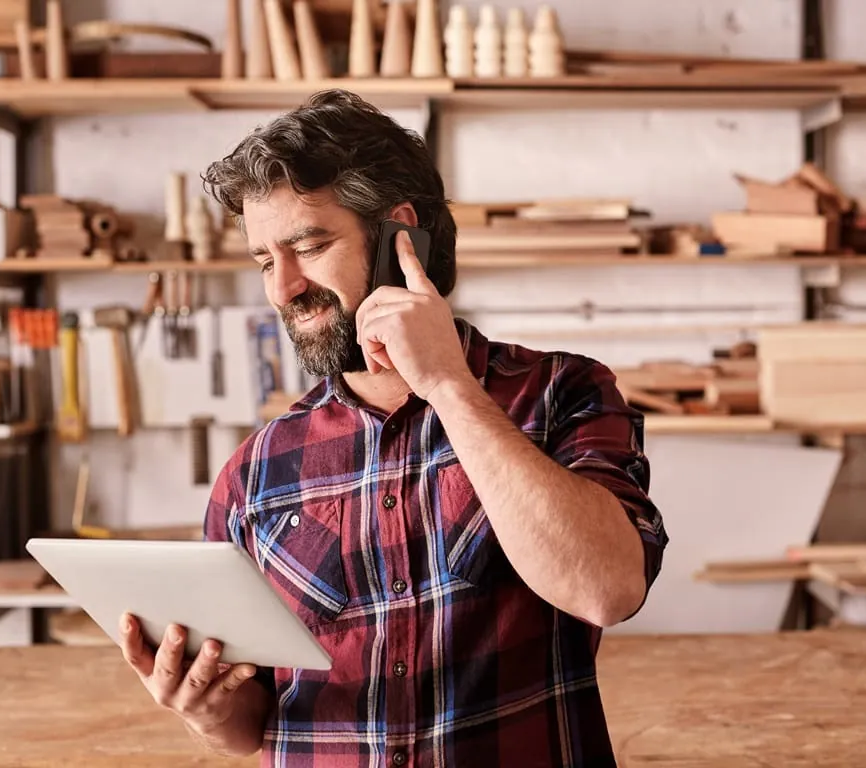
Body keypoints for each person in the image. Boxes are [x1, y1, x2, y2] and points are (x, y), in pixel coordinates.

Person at [119, 89, 668, 767]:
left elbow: (607, 590)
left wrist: (447, 387)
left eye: (308, 246)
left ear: (398, 237)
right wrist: (207, 710)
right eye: (264, 260)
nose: (282, 289)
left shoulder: (561, 394)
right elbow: (249, 723)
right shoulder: (255, 472)